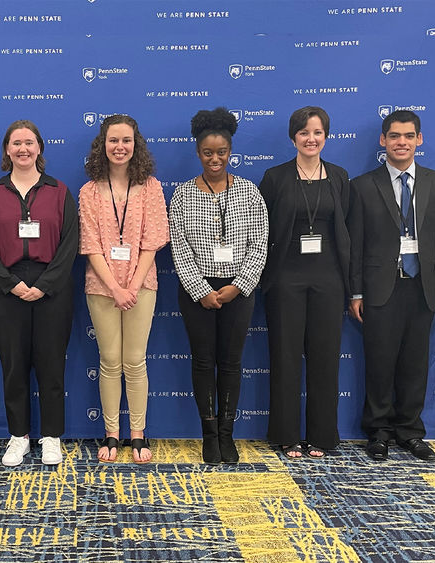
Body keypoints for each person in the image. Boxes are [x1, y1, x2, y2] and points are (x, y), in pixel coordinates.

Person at [0, 120, 78, 467]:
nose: (23, 149)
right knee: (13, 366)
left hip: (52, 290)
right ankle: (18, 436)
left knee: (51, 366)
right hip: (6, 290)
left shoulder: (59, 191)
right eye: (16, 143)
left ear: (39, 149)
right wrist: (11, 284)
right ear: (7, 150)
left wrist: (44, 286)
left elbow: (69, 245)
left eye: (29, 142)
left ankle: (51, 437)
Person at [169, 107, 268, 465]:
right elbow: (178, 246)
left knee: (230, 363)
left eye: (221, 152)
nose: (215, 158)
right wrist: (202, 290)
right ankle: (209, 435)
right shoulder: (182, 196)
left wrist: (238, 286)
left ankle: (228, 435)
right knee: (203, 361)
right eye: (208, 152)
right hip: (198, 292)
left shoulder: (249, 192)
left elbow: (259, 243)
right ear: (198, 153)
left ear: (230, 152)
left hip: (238, 291)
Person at [348, 110, 435, 462]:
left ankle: (410, 432)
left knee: (415, 364)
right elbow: (354, 245)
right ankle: (378, 432)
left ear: (419, 139)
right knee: (379, 362)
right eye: (394, 136)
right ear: (383, 141)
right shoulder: (362, 186)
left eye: (408, 136)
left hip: (423, 286)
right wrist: (356, 291)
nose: (401, 142)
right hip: (378, 288)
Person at [259, 107, 351, 459]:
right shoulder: (275, 177)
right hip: (285, 280)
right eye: (304, 132)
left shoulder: (340, 177)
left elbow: (346, 234)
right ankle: (286, 435)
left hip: (329, 280)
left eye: (317, 132)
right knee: (284, 358)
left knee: (325, 359)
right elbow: (263, 231)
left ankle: (322, 436)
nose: (311, 139)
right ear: (293, 137)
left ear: (326, 136)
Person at [78, 115, 169, 464]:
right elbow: (90, 244)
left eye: (126, 140)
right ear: (103, 145)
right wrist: (115, 287)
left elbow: (153, 240)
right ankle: (111, 434)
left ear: (136, 144)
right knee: (110, 361)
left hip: (141, 284)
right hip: (101, 288)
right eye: (113, 140)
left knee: (134, 361)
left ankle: (138, 434)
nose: (120, 147)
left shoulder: (151, 187)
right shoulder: (88, 191)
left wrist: (131, 285)